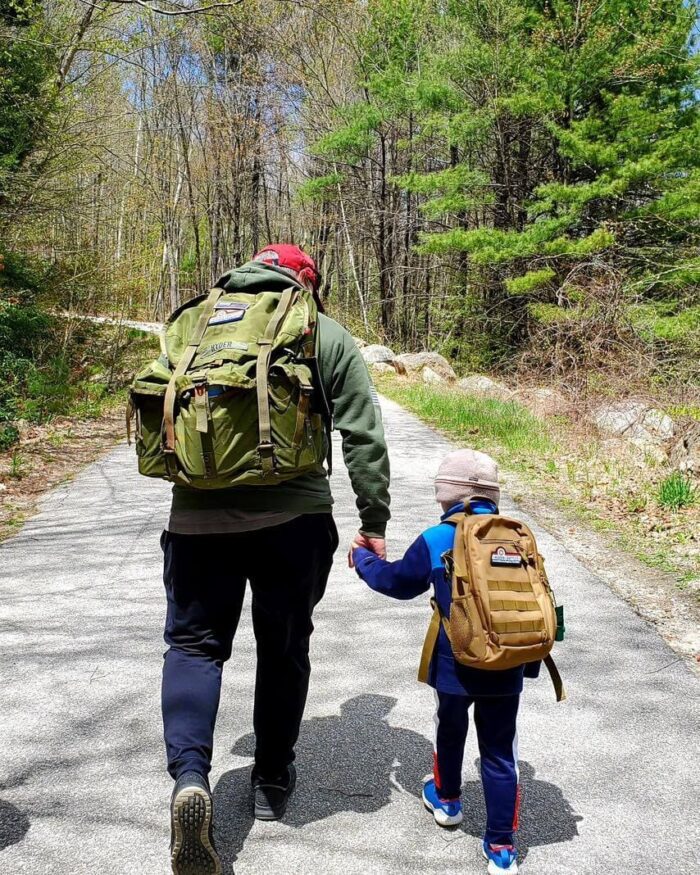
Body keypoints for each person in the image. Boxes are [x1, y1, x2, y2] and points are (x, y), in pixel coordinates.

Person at [164, 244, 390, 875]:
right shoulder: (320, 328)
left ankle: (189, 778)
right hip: (293, 519)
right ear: (307, 283)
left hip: (196, 516)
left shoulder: (195, 319)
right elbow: (363, 430)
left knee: (193, 647)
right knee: (283, 645)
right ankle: (270, 779)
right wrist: (373, 520)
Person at [351, 448, 540, 875]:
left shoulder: (439, 538)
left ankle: (448, 799)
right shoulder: (519, 535)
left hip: (455, 659)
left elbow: (396, 583)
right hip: (508, 663)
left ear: (448, 494)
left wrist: (364, 561)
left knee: (450, 727)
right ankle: (501, 849)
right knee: (499, 750)